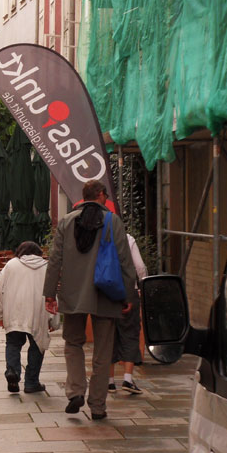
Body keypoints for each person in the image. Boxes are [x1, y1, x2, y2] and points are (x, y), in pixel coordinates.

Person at [43, 179, 137, 420]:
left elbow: (55, 260)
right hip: (106, 292)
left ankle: (75, 391)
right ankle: (97, 405)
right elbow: (125, 260)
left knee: (73, 343)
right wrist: (129, 294)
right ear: (102, 195)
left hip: (73, 294)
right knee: (103, 351)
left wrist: (49, 293)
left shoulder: (66, 222)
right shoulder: (112, 221)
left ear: (84, 197)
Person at [0, 241, 54, 394]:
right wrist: (53, 319)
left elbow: (0, 288)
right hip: (38, 312)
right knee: (37, 346)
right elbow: (52, 293)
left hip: (14, 310)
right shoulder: (46, 267)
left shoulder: (11, 265)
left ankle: (13, 372)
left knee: (13, 343)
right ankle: (31, 382)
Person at [109, 234, 147, 394]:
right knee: (130, 333)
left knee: (108, 335)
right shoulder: (127, 238)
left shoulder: (97, 236)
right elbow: (139, 266)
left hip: (105, 292)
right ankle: (127, 379)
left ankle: (109, 382)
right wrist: (142, 283)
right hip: (127, 291)